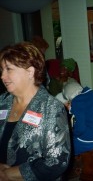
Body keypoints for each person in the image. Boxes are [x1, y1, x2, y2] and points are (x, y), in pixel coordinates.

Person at [0, 42, 71, 180]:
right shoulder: (2, 102)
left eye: (9, 69)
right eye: (2, 70)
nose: (3, 76)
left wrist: (8, 174)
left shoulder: (51, 107)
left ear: (30, 72)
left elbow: (56, 162)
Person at [57, 81, 93, 156]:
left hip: (88, 141)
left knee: (63, 149)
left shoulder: (77, 101)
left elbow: (80, 128)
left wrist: (72, 134)